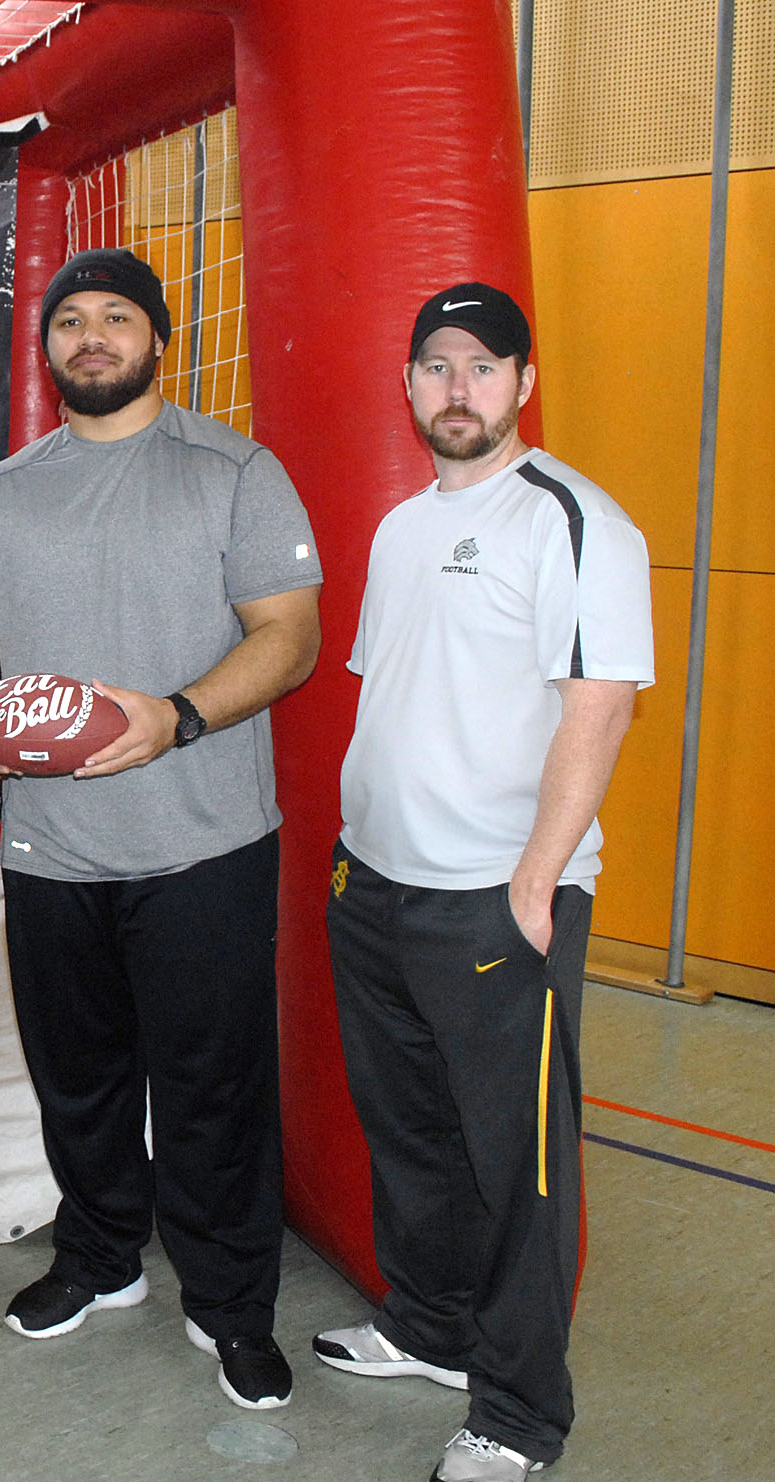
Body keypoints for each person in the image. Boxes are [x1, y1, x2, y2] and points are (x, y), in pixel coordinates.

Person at [0, 248, 322, 1409]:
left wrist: (177, 716)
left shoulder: (235, 470)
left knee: (214, 1089)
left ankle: (232, 1304)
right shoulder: (5, 491)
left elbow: (289, 635)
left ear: (158, 340)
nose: (91, 337)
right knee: (80, 1081)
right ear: (46, 345)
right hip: (53, 848)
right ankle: (101, 1258)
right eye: (71, 321)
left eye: (116, 317)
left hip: (203, 841)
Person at [319, 283, 652, 1482]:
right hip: (376, 888)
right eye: (436, 366)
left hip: (494, 900)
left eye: (482, 366)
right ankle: (429, 1328)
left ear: (523, 383)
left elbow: (599, 708)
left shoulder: (572, 519)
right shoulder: (402, 526)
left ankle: (517, 1415)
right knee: (412, 1134)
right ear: (409, 385)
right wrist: (358, 858)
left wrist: (536, 882)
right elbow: (399, 695)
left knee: (518, 1168)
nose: (456, 388)